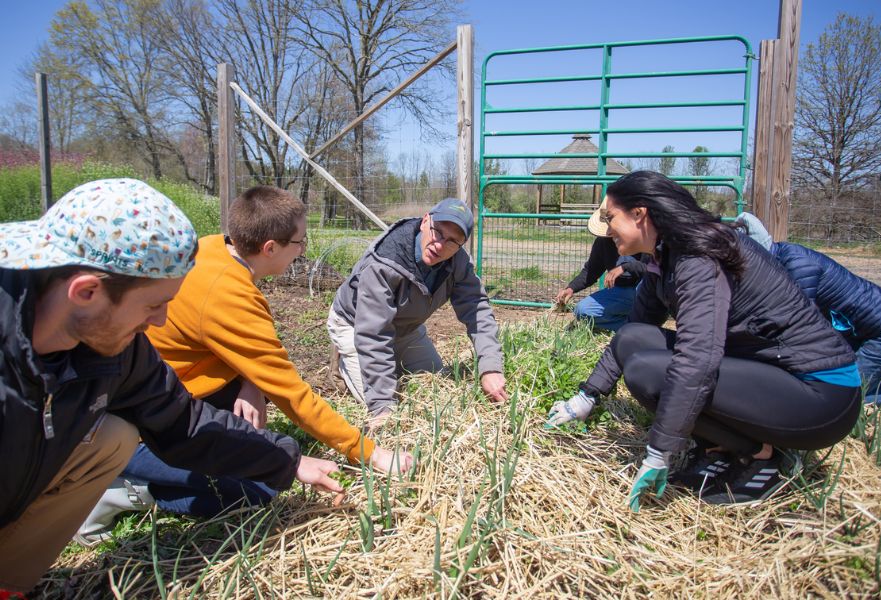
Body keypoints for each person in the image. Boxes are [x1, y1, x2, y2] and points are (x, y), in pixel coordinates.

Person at [0, 179, 344, 593]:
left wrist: (288, 461)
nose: (161, 321)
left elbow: (184, 422)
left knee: (113, 435)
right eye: (152, 305)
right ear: (87, 291)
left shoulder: (118, 349)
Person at [75, 186, 413, 544]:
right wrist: (369, 452)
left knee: (253, 445)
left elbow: (224, 340)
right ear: (270, 248)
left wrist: (251, 383)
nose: (302, 251)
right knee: (257, 492)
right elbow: (292, 394)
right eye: (299, 243)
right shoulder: (229, 296)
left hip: (174, 391)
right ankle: (124, 488)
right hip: (144, 423)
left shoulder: (212, 248)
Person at [545, 172, 861, 510]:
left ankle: (760, 457)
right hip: (769, 374)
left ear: (639, 214)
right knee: (637, 341)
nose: (607, 230)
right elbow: (632, 334)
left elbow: (697, 358)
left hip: (819, 394)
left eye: (611, 218)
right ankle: (720, 448)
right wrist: (586, 397)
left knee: (648, 373)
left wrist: (659, 451)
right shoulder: (664, 255)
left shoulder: (698, 256)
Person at [328, 198, 507, 427]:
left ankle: (392, 358)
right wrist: (383, 404)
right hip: (355, 325)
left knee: (434, 385)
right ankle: (343, 361)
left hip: (406, 326)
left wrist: (490, 367)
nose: (440, 245)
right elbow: (373, 334)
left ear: (461, 245)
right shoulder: (385, 262)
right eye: (438, 232)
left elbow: (477, 309)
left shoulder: (458, 262)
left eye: (453, 241)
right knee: (386, 406)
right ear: (425, 221)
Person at [737, 212, 881, 406]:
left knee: (844, 397)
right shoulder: (783, 260)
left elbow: (801, 324)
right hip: (863, 331)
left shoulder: (796, 265)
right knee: (839, 388)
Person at [554, 196, 646, 331]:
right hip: (621, 291)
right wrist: (571, 288)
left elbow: (654, 269)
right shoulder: (604, 241)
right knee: (582, 311)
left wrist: (625, 267)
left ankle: (644, 322)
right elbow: (591, 270)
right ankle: (631, 328)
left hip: (644, 289)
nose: (609, 233)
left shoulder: (643, 236)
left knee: (646, 288)